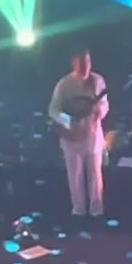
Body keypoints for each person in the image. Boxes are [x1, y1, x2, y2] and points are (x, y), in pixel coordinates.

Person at [48, 49, 109, 219]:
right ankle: (78, 211)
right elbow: (53, 110)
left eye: (87, 62)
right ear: (74, 63)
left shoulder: (97, 81)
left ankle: (97, 211)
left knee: (95, 175)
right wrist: (70, 123)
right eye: (81, 63)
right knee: (75, 176)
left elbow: (105, 104)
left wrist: (98, 113)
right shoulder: (64, 84)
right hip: (71, 138)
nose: (85, 67)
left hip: (92, 134)